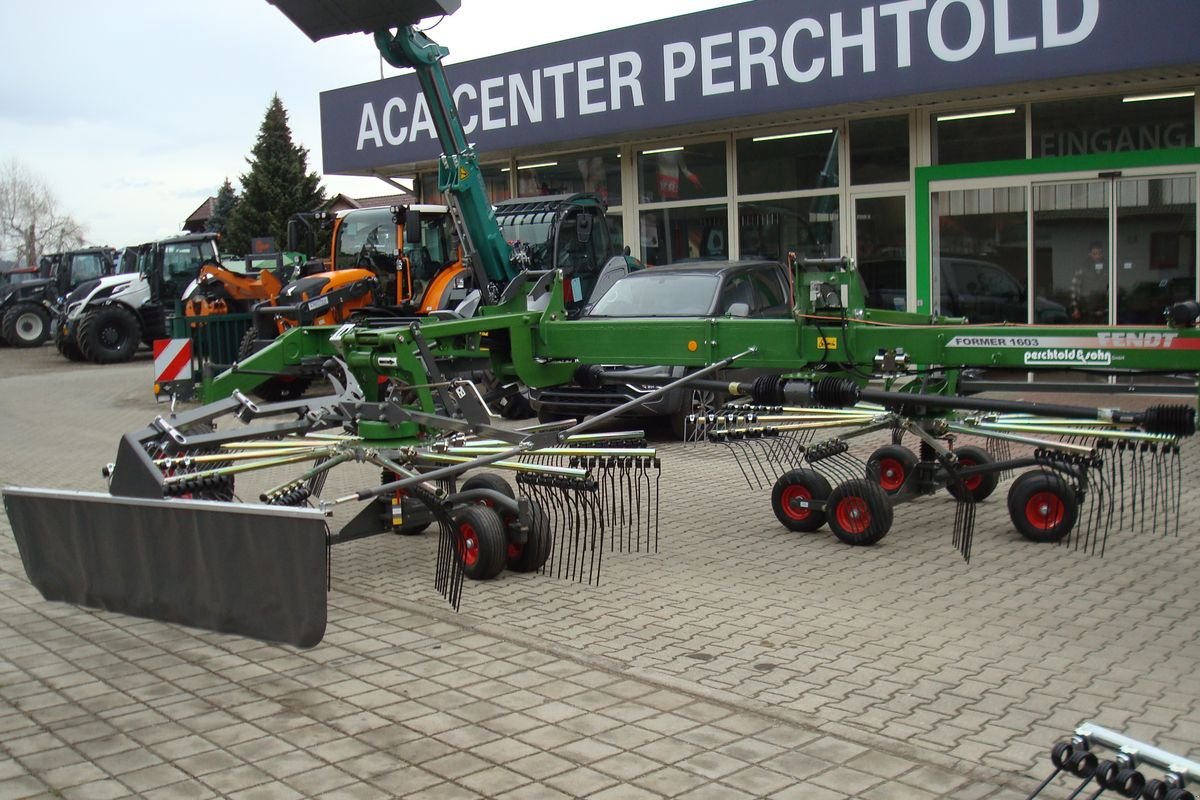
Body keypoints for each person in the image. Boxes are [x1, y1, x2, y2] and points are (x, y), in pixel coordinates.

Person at [1069, 241, 1107, 323]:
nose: (1097, 256)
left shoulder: (1109, 269)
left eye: (1099, 253)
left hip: (1105, 313)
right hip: (1087, 312)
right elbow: (1074, 290)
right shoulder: (1082, 270)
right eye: (1094, 253)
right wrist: (1075, 308)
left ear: (1102, 253)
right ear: (1089, 254)